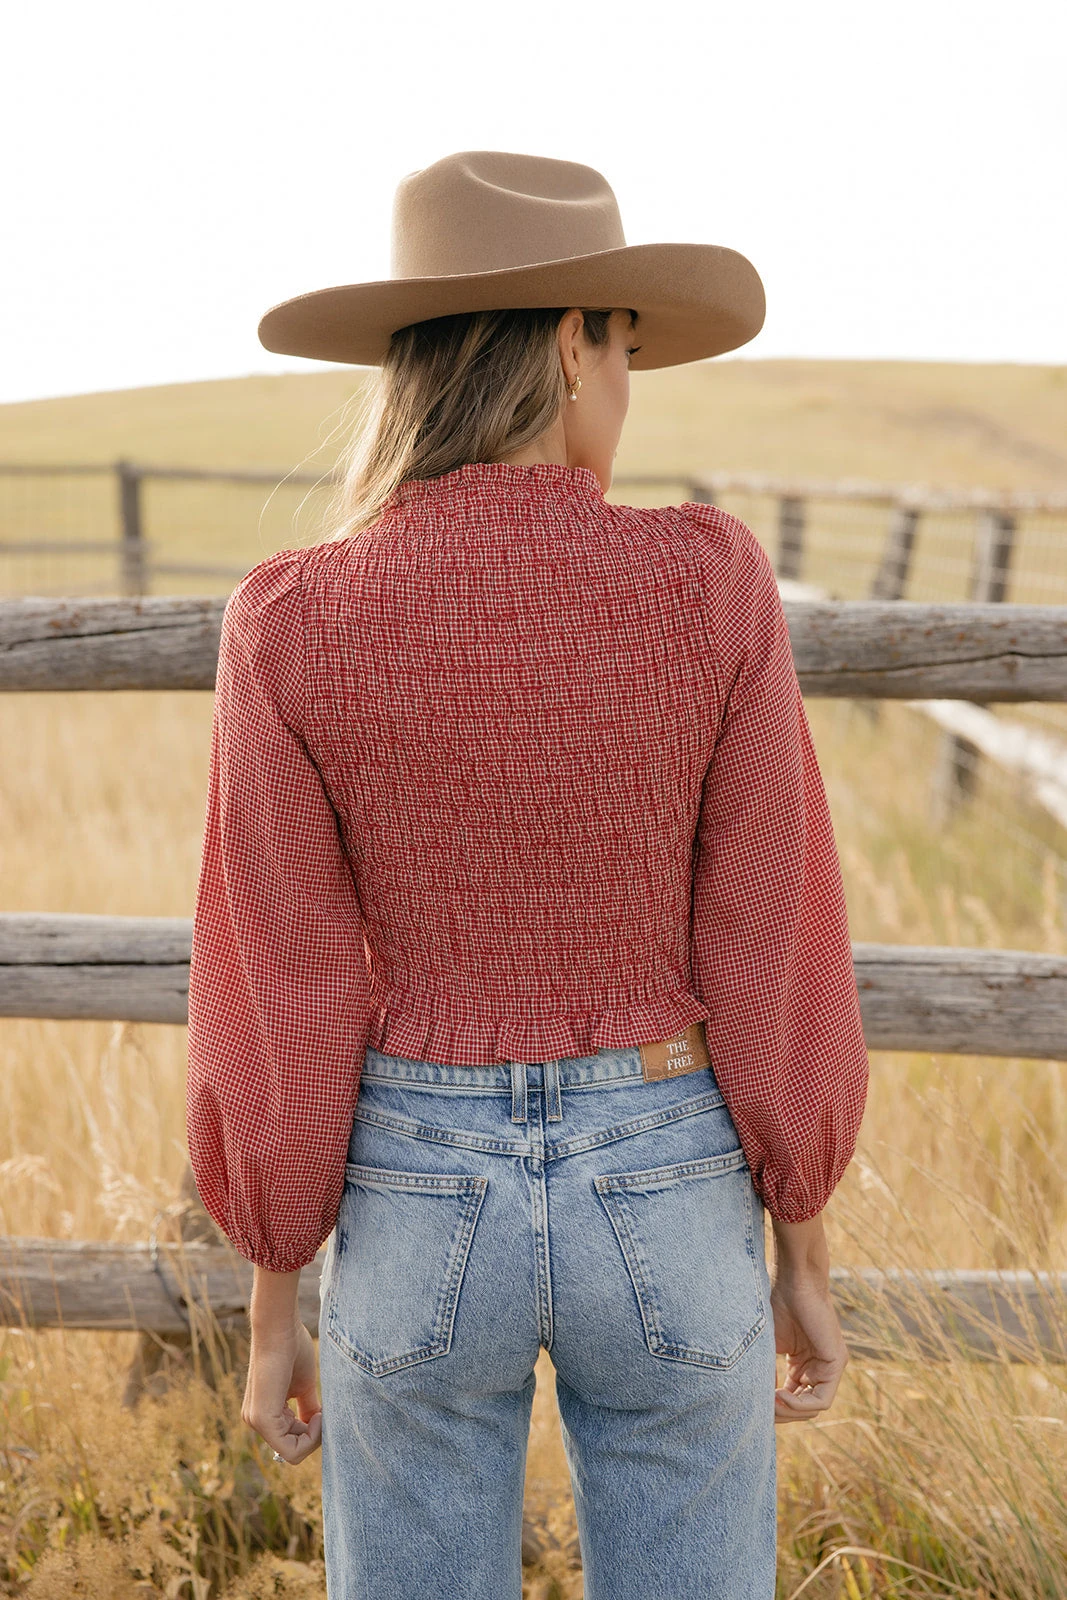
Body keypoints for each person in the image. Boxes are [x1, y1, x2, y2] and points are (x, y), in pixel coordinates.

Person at [186, 149, 870, 1600]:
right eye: (624, 351)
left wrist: (272, 1300)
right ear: (570, 346)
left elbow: (285, 987)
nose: (626, 388)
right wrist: (802, 1254)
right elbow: (767, 938)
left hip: (415, 1189)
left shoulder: (290, 618)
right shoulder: (707, 582)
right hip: (667, 1171)